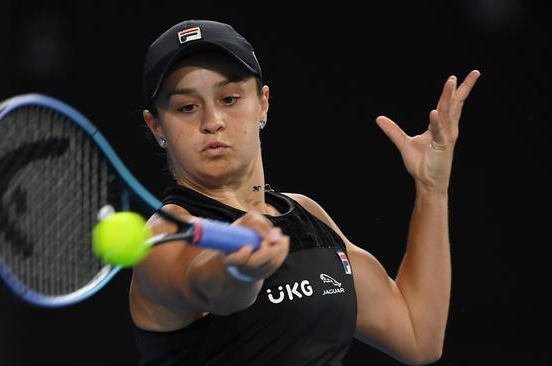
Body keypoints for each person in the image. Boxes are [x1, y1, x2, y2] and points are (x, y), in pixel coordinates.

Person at [130, 19, 480, 366]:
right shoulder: (165, 237)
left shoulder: (306, 217)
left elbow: (418, 334)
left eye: (230, 98)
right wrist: (239, 269)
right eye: (187, 107)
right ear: (156, 125)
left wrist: (432, 188)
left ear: (263, 104)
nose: (213, 121)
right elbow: (212, 285)